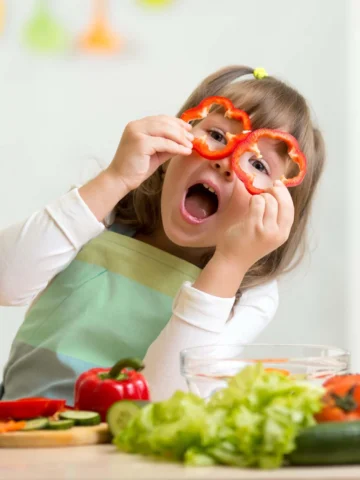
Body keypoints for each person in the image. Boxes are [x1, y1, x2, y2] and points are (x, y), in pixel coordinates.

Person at [0, 65, 325, 403]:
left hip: (123, 453)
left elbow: (163, 398)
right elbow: (5, 283)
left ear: (278, 208)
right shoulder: (105, 211)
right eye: (216, 136)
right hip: (21, 437)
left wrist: (228, 265)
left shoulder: (251, 292)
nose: (226, 162)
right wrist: (114, 179)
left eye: (258, 165)